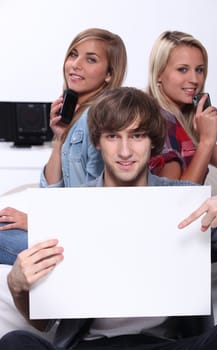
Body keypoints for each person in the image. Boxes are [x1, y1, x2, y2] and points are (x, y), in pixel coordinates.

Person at [1, 86, 217, 350]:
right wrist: (18, 288)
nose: (125, 151)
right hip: (90, 346)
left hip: (168, 345)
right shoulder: (69, 207)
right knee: (15, 342)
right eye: (113, 136)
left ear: (153, 141)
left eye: (137, 136)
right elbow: (45, 323)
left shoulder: (186, 200)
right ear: (97, 141)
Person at [0, 28, 127, 265]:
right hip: (69, 230)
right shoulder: (79, 119)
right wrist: (59, 138)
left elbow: (99, 207)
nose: (75, 65)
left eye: (91, 59)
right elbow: (52, 193)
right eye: (73, 54)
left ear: (109, 74)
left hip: (85, 241)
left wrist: (37, 222)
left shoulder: (101, 120)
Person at [147, 30, 217, 262]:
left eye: (199, 69)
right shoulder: (155, 122)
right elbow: (178, 205)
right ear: (159, 74)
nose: (194, 79)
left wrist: (206, 138)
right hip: (177, 238)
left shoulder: (185, 123)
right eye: (182, 69)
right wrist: (206, 142)